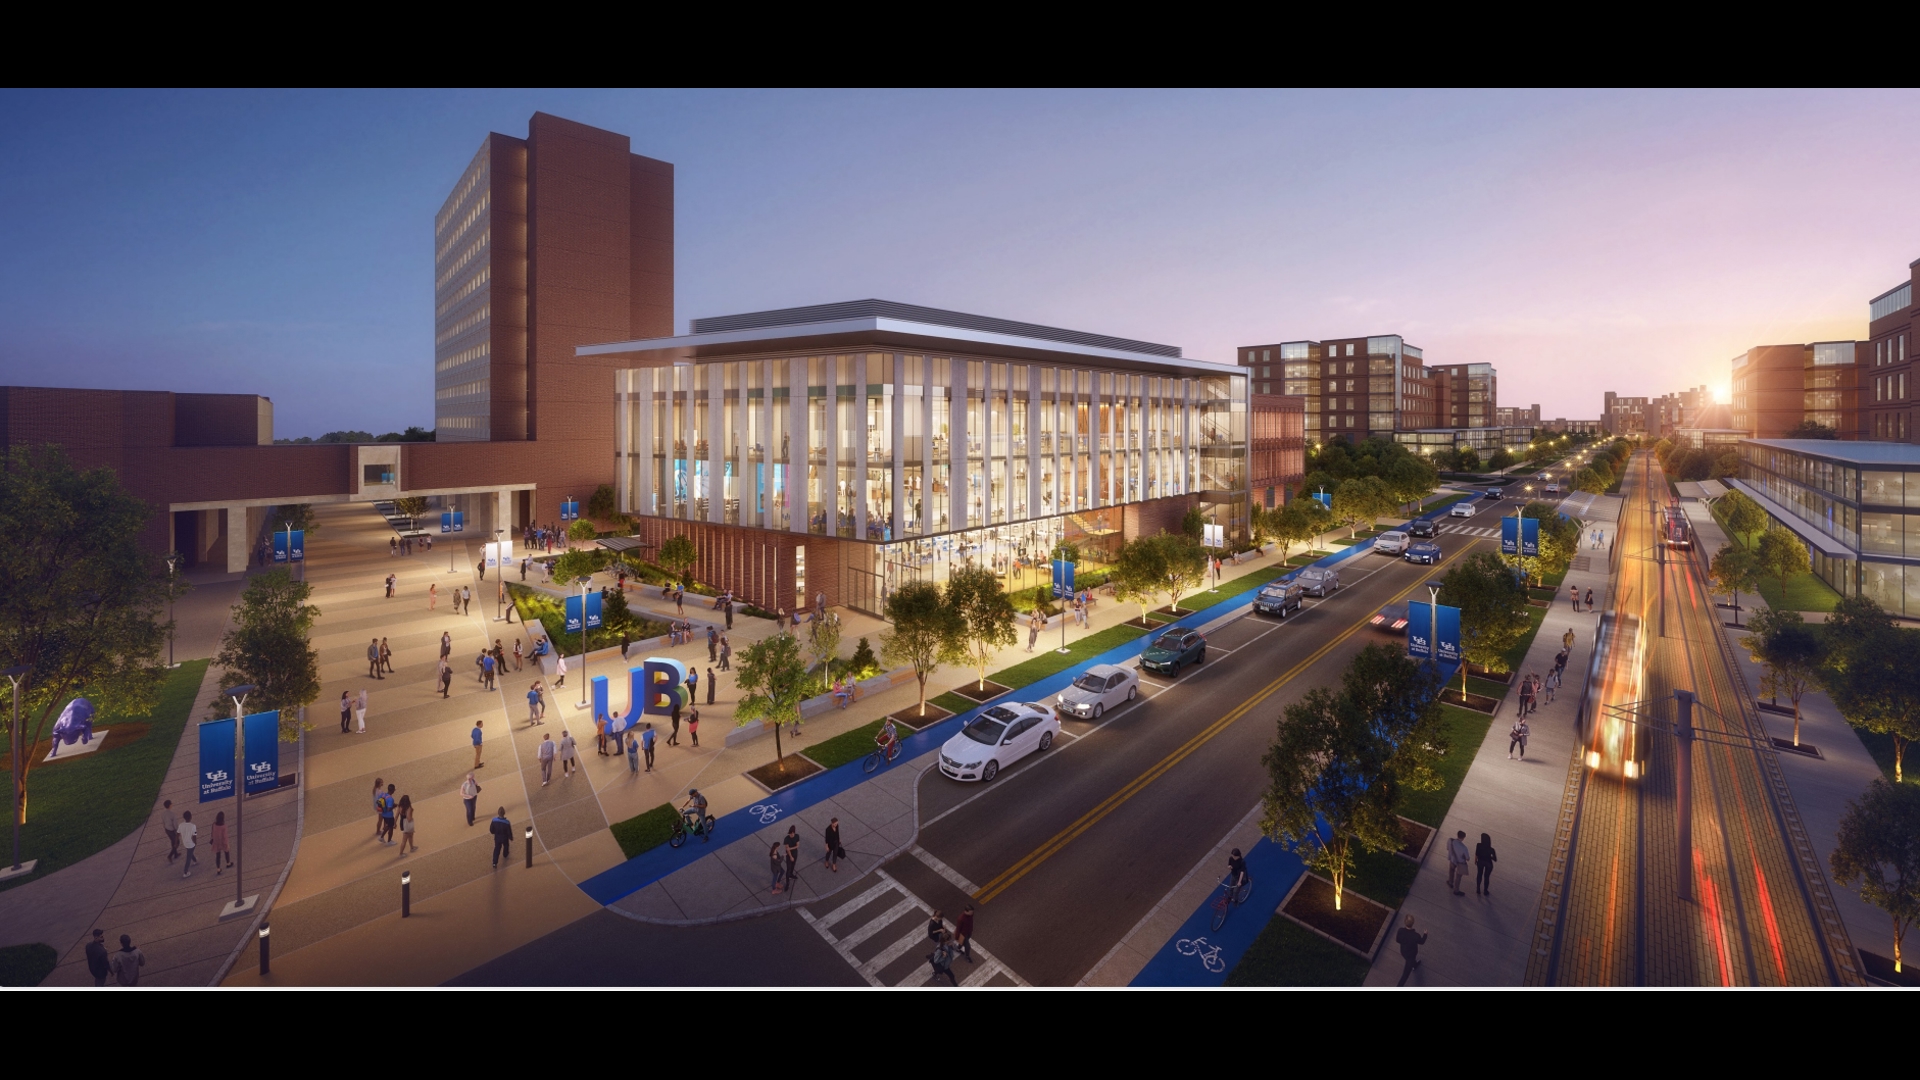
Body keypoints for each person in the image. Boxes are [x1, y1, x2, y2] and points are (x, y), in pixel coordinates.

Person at [1394, 915, 1428, 986]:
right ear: (1413, 923)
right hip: (1411, 955)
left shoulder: (1400, 930)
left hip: (1403, 952)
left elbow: (1397, 940)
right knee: (1405, 975)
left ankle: (1414, 965)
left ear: (1404, 922)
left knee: (1412, 961)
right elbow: (1422, 942)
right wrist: (1425, 934)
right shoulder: (1415, 935)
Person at [1446, 830, 1470, 895]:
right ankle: (1456, 890)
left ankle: (1450, 882)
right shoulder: (1464, 848)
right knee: (1458, 877)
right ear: (1463, 838)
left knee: (1451, 870)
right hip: (1460, 863)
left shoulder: (1450, 840)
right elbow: (1467, 858)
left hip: (1453, 860)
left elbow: (1448, 848)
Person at [178, 810, 198, 877]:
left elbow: (177, 834)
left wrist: (176, 842)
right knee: (188, 858)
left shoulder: (180, 825)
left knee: (190, 852)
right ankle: (185, 872)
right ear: (191, 817)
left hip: (185, 843)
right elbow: (194, 835)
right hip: (191, 844)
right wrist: (195, 842)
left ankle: (195, 860)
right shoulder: (193, 826)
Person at [783, 824, 800, 891]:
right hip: (789, 855)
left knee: (793, 866)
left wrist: (790, 848)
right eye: (791, 834)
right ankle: (787, 883)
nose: (792, 835)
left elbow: (797, 846)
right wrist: (790, 856)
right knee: (788, 868)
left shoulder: (797, 836)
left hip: (795, 854)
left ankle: (791, 875)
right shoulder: (786, 839)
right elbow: (787, 849)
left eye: (793, 834)